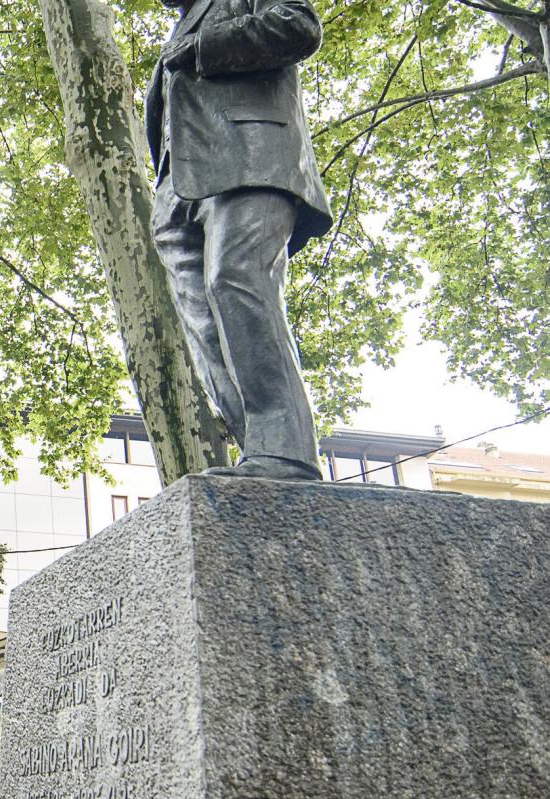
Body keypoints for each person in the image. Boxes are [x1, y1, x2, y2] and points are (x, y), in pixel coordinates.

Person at [146, 0, 332, 481]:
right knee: (203, 323)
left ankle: (286, 452)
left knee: (236, 283)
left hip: (250, 159)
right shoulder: (181, 20)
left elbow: (298, 25)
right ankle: (261, 452)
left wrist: (205, 46)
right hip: (178, 188)